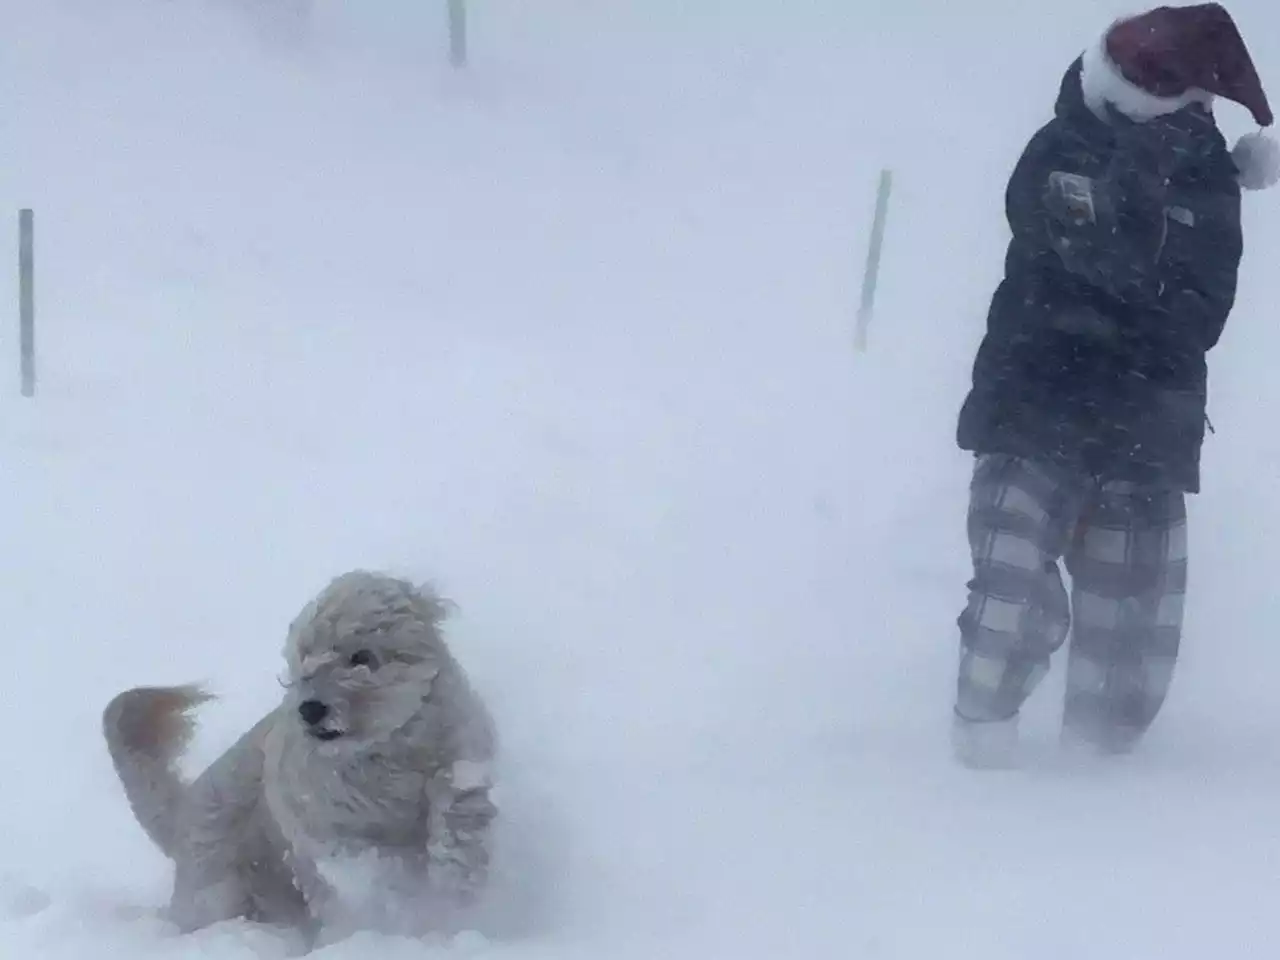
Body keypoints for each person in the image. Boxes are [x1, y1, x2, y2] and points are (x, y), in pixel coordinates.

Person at [951, 3, 1279, 767]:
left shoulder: (1206, 184)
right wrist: (1146, 176)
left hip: (1148, 425)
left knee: (1130, 641)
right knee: (1010, 601)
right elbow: (1098, 262)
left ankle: (1103, 800)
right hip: (1034, 406)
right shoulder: (1058, 151)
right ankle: (977, 766)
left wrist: (1188, 182)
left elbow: (1198, 312)